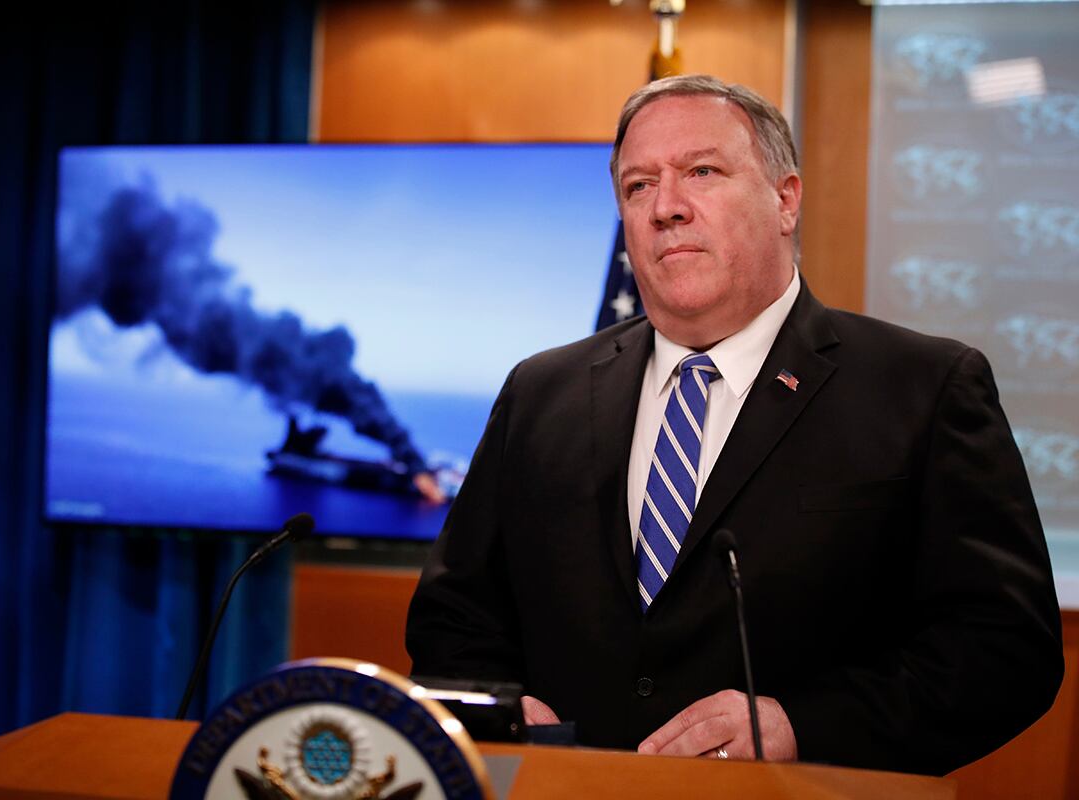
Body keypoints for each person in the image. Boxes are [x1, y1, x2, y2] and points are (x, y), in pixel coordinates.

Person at [405, 75, 1063, 775]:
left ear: (786, 200)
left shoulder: (923, 389)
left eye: (702, 172)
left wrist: (799, 726)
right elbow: (453, 619)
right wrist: (497, 704)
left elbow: (1005, 649)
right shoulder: (541, 392)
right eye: (637, 186)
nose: (666, 209)